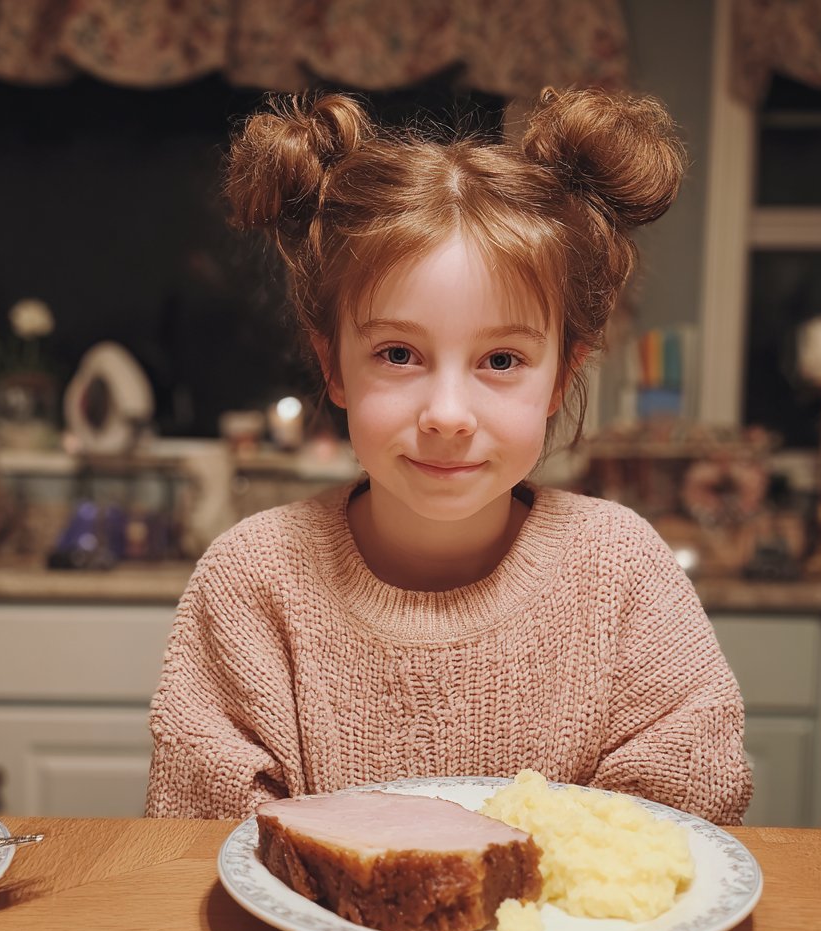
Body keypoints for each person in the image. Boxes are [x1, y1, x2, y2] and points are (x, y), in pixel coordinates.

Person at [145, 87, 753, 825]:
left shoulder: (621, 571)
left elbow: (686, 809)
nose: (448, 415)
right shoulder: (254, 580)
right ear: (332, 365)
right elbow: (202, 838)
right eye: (398, 354)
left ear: (563, 375)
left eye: (501, 360)